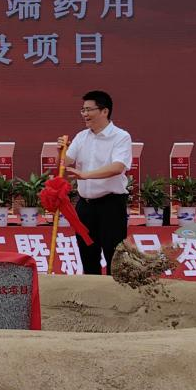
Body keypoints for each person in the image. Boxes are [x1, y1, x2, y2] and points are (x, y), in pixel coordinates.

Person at [60, 90, 133, 275]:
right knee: (87, 255)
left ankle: (114, 293)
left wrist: (86, 175)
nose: (84, 114)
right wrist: (61, 150)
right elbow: (65, 162)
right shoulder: (81, 136)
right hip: (85, 206)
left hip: (111, 205)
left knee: (114, 257)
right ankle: (92, 292)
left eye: (89, 110)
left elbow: (117, 167)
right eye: (83, 110)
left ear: (104, 111)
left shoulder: (121, 136)